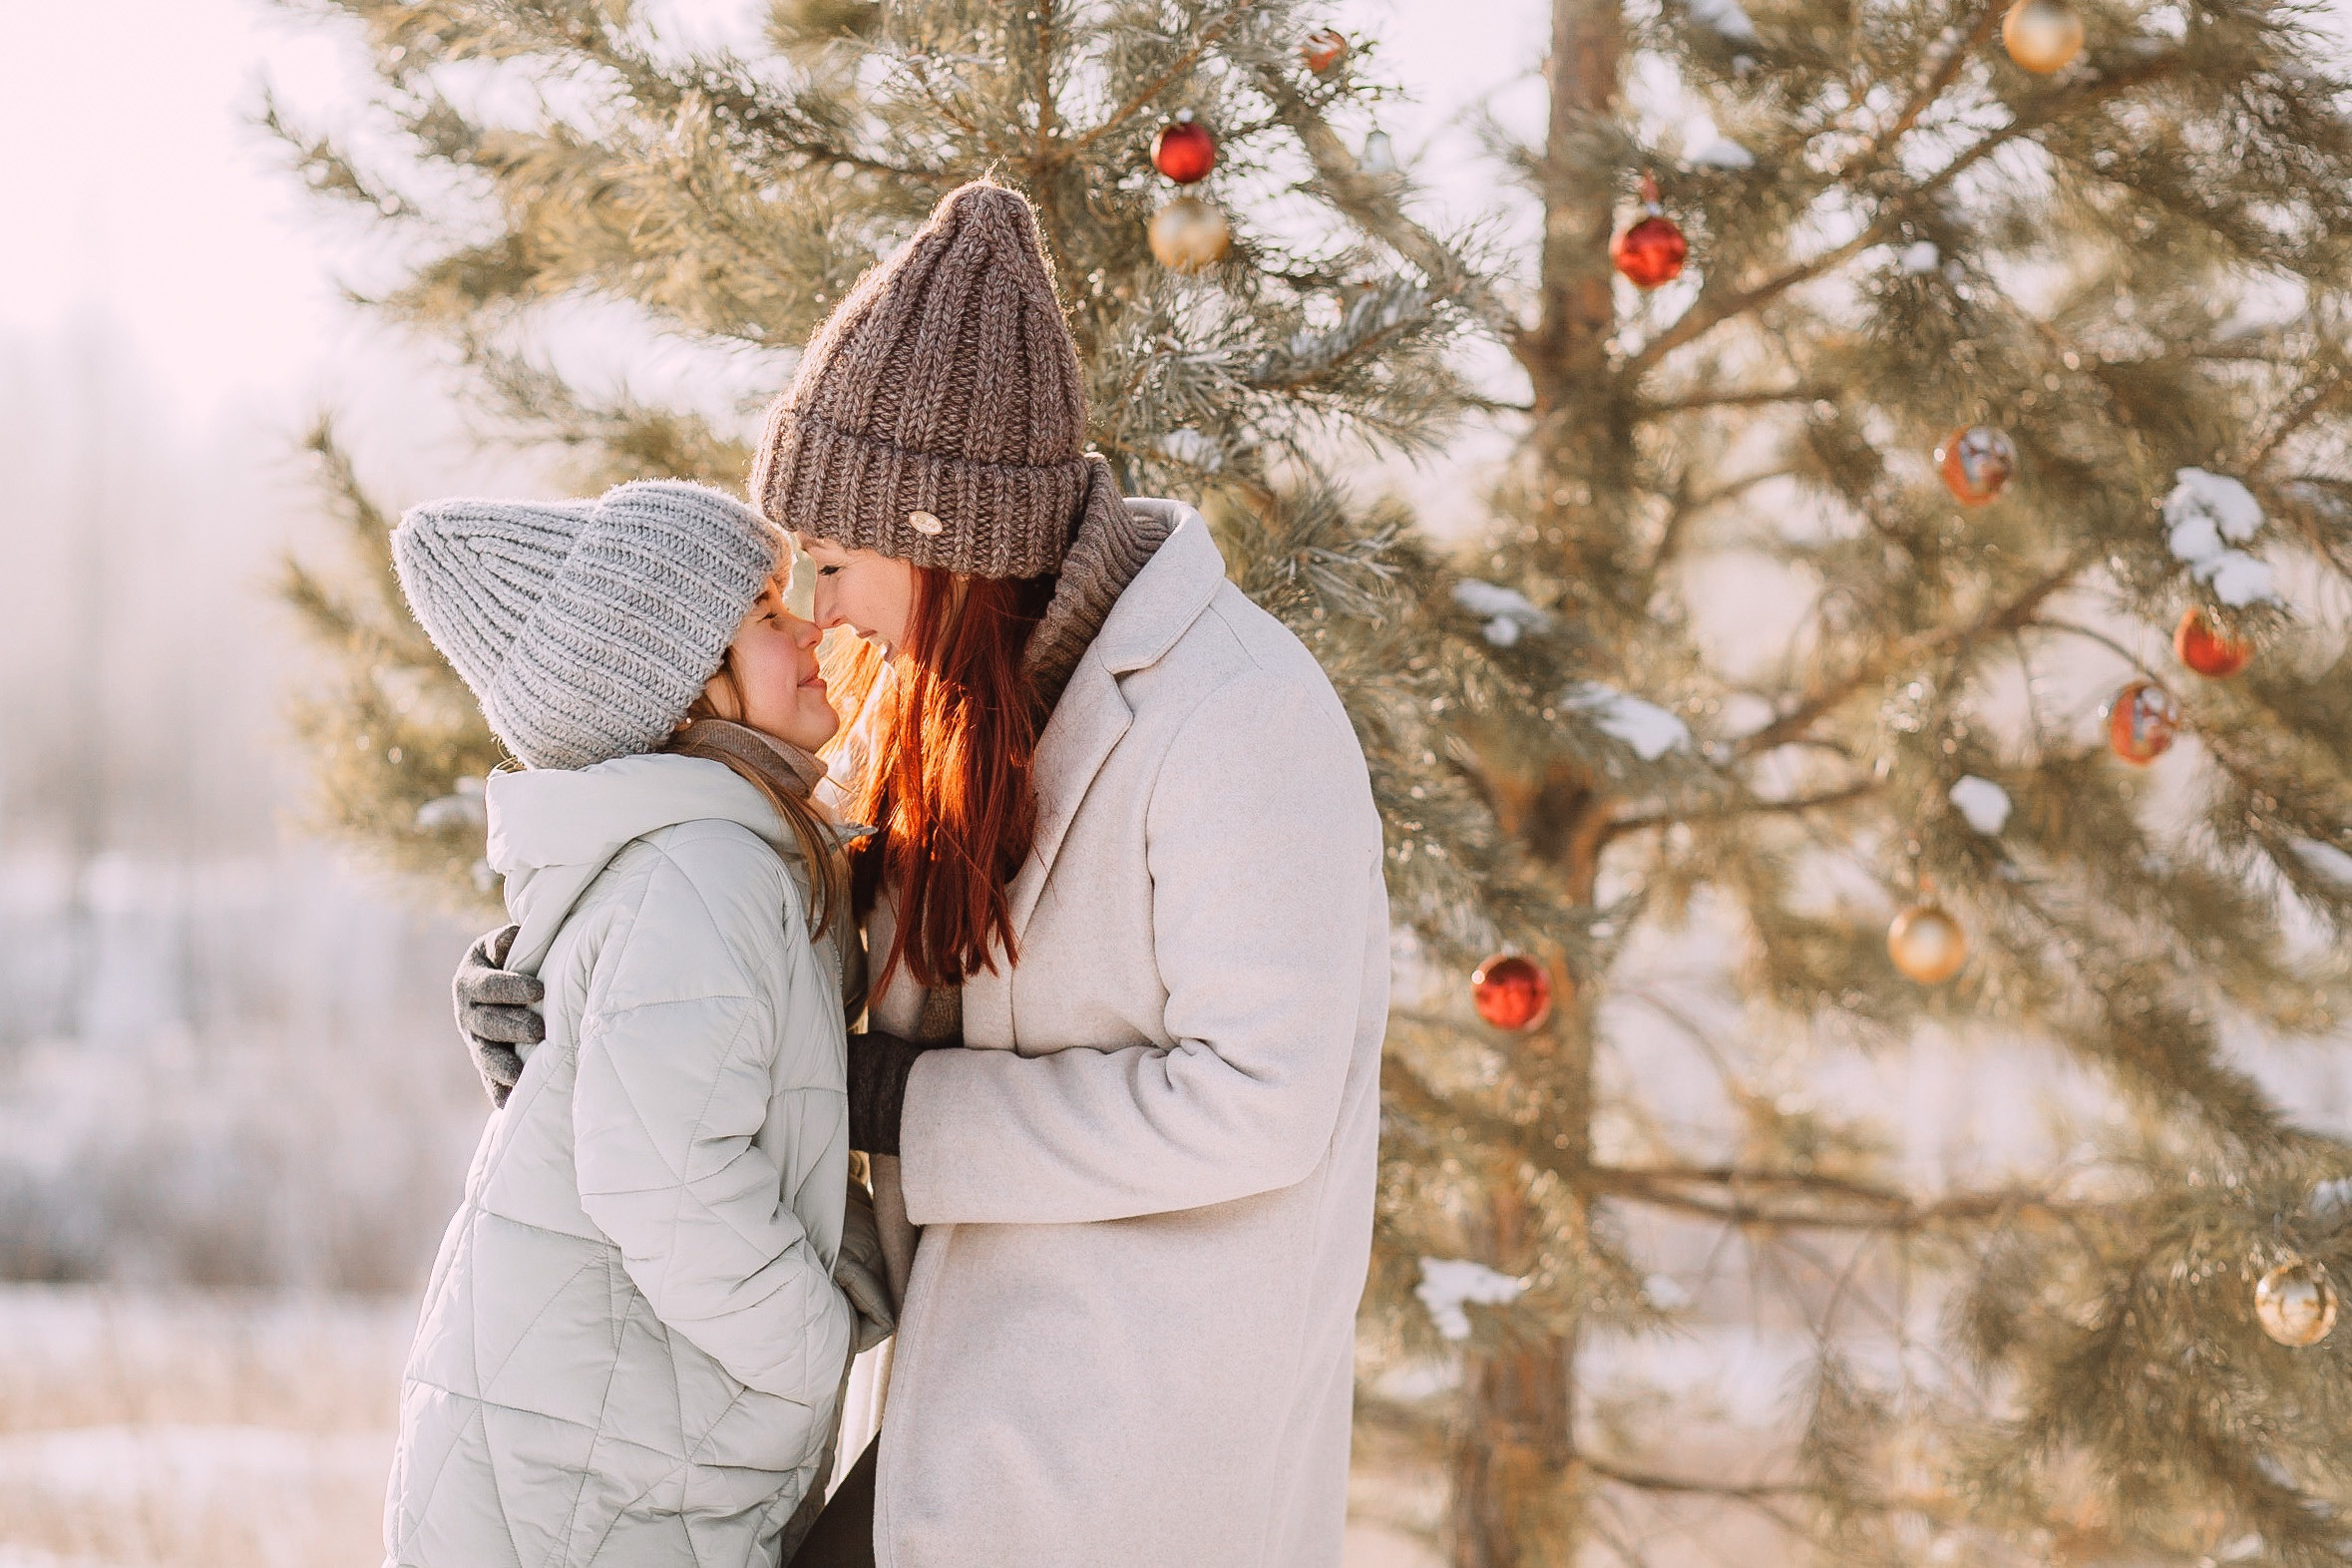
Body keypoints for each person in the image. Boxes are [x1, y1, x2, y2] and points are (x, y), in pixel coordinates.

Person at [457, 182, 1389, 1568]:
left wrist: (904, 1104)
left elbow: (1264, 1102)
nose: (815, 606)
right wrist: (572, 998)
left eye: (834, 561)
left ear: (944, 538)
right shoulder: (950, 715)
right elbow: (779, 992)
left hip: (1140, 1449)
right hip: (959, 1416)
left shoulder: (1235, 713)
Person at [384, 480, 889, 1568]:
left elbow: (749, 1140)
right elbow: (660, 1178)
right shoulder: (707, 871)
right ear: (686, 693)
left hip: (599, 1460)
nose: (810, 626)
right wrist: (813, 1339)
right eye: (764, 616)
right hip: (596, 1489)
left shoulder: (725, 858)